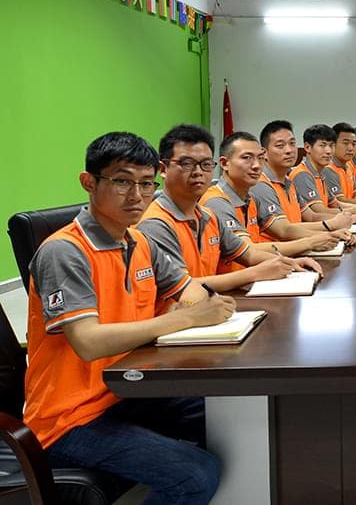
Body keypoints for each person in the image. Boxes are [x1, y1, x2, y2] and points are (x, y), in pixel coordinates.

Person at [24, 131, 233, 503]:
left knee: (228, 415)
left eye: (146, 183)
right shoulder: (64, 251)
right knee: (195, 475)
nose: (137, 195)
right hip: (70, 419)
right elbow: (88, 342)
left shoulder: (139, 242)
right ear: (89, 182)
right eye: (122, 181)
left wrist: (185, 309)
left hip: (127, 392)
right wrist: (184, 318)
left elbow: (192, 291)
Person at [138, 124, 320, 301]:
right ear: (163, 169)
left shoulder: (207, 216)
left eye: (206, 164)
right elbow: (184, 287)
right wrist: (255, 273)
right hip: (183, 315)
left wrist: (289, 263)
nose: (198, 172)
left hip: (212, 307)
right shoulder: (156, 223)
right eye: (187, 164)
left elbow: (248, 254)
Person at [201, 132, 347, 267]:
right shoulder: (217, 201)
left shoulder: (251, 197)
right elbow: (250, 249)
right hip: (244, 280)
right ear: (224, 163)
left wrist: (326, 236)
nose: (256, 165)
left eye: (260, 158)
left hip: (261, 272)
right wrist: (312, 241)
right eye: (246, 158)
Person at [250, 120, 356, 244]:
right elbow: (284, 230)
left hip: (297, 248)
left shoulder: (288, 182)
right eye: (280, 146)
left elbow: (311, 216)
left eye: (292, 144)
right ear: (264, 153)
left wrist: (345, 220)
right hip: (277, 252)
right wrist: (329, 230)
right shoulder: (261, 184)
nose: (289, 150)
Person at [290, 124, 356, 221]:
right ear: (307, 147)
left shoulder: (320, 173)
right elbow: (319, 211)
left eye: (331, 145)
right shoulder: (302, 174)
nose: (328, 151)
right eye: (322, 145)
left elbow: (335, 204)